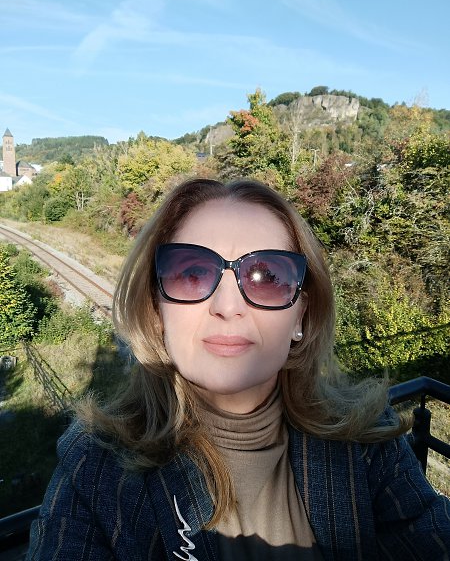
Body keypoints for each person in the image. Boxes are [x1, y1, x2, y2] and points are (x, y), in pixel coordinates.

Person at [27, 178, 449, 560]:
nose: (228, 307)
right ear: (156, 310)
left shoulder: (366, 439)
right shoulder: (97, 464)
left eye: (267, 276)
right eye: (192, 273)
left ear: (301, 315)